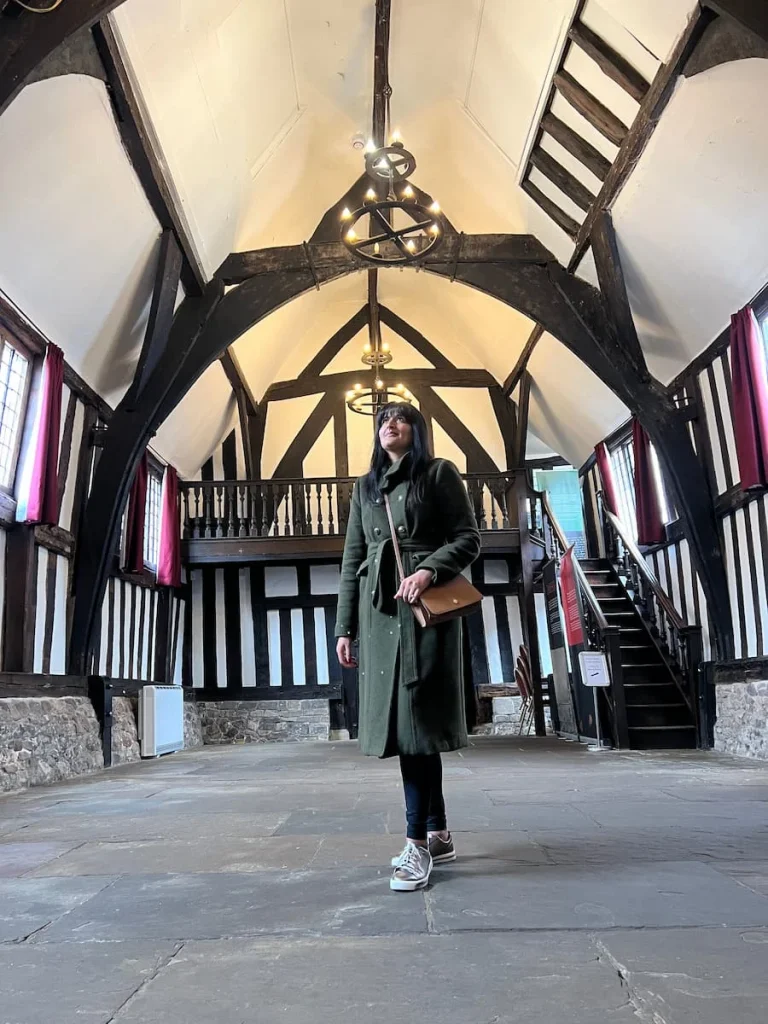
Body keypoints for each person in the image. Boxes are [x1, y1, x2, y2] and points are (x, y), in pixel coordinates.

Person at [335, 403, 481, 891]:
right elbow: (353, 557)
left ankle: (415, 844)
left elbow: (468, 539)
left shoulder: (439, 473)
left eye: (400, 418)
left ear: (416, 430)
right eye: (382, 420)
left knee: (417, 728)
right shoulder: (364, 487)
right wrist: (345, 628)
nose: (388, 425)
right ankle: (437, 833)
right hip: (379, 617)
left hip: (424, 614)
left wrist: (428, 569)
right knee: (406, 731)